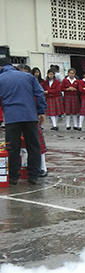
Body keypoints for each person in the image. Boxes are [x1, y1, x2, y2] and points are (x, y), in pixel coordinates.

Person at [0, 57, 46, 185]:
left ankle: (14, 176)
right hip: (30, 116)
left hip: (11, 118)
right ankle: (34, 175)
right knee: (33, 146)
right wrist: (41, 111)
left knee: (13, 147)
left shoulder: (1, 79)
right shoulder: (28, 76)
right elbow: (40, 93)